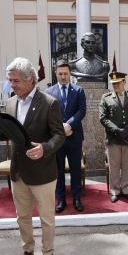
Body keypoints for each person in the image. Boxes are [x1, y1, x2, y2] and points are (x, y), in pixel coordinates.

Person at [0, 57, 65, 255]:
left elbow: (59, 136)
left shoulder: (49, 103)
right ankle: (28, 251)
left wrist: (44, 148)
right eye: (10, 80)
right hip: (19, 172)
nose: (11, 85)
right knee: (22, 216)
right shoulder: (11, 103)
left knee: (46, 219)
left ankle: (48, 253)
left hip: (42, 172)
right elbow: (5, 131)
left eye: (15, 81)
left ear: (30, 79)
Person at [45, 59, 87, 213]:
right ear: (56, 73)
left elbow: (81, 111)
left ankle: (76, 199)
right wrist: (61, 129)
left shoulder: (79, 91)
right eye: (60, 73)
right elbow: (48, 114)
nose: (63, 77)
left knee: (76, 170)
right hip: (57, 139)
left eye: (66, 74)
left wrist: (69, 125)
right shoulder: (48, 93)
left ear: (70, 74)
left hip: (74, 137)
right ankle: (61, 199)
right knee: (59, 170)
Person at [100, 71, 128, 203]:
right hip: (113, 138)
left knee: (127, 166)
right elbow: (103, 118)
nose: (115, 85)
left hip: (127, 138)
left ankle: (126, 190)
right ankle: (115, 191)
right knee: (114, 166)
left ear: (124, 82)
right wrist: (117, 130)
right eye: (113, 83)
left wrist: (126, 130)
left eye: (118, 83)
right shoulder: (106, 98)